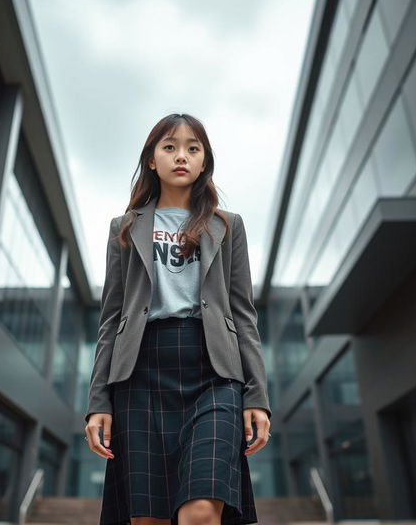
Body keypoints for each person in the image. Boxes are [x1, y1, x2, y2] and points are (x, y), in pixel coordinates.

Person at [84, 113, 271, 525]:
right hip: (141, 374)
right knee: (147, 519)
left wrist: (257, 394)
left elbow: (243, 313)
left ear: (205, 161)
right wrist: (99, 401)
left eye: (193, 148)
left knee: (202, 510)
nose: (181, 156)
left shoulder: (227, 226)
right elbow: (111, 318)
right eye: (169, 147)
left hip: (213, 374)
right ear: (152, 159)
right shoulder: (125, 228)